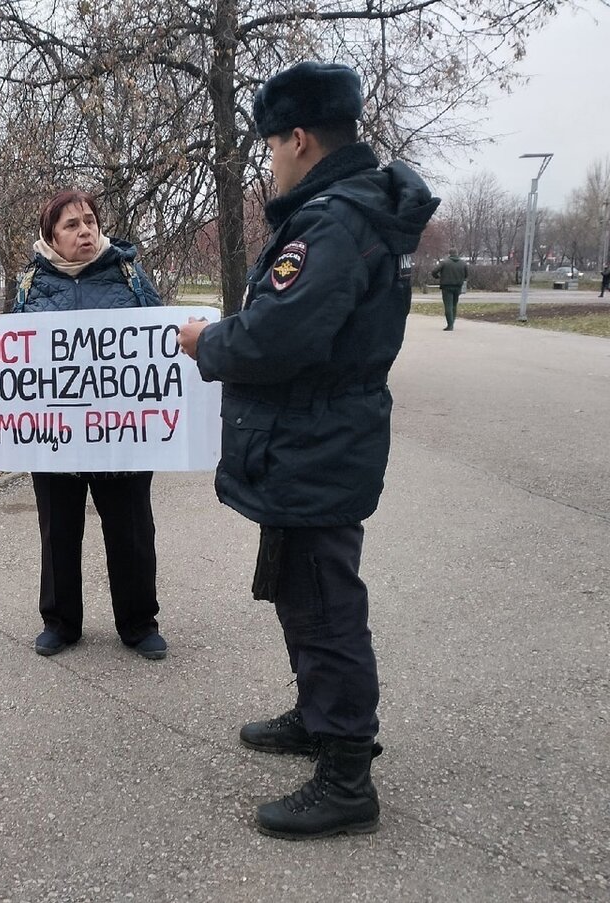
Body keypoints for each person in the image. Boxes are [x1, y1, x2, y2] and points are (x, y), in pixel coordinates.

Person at [177, 61, 438, 840]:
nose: (270, 162)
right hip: (315, 438)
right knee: (303, 590)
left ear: (298, 139)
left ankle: (347, 773)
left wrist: (206, 340)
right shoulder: (348, 210)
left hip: (315, 443)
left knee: (325, 605)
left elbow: (276, 337)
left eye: (270, 147)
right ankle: (318, 714)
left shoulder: (331, 222)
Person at [13, 188, 169, 661]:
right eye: (71, 225)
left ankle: (139, 623)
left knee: (132, 532)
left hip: (120, 435)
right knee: (58, 533)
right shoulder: (31, 285)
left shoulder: (128, 276)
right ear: (50, 237)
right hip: (56, 438)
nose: (85, 231)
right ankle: (60, 622)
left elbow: (163, 337)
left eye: (90, 221)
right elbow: (7, 350)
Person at [431, 249, 469, 330]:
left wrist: (438, 277)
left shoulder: (444, 262)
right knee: (454, 305)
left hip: (446, 287)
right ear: (457, 253)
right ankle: (452, 322)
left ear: (449, 254)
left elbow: (434, 271)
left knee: (448, 305)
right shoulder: (463, 263)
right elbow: (466, 275)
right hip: (458, 286)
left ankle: (450, 325)